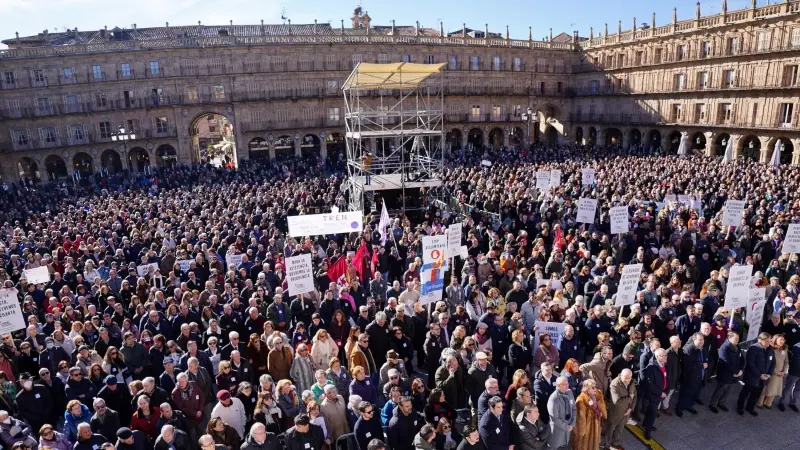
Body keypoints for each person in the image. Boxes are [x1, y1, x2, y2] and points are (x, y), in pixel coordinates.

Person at [738, 332, 776, 416]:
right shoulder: (754, 348)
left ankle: (750, 407)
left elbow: (773, 363)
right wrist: (759, 375)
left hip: (764, 378)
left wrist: (769, 374)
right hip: (752, 377)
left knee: (756, 394)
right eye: (766, 341)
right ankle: (740, 407)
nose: (768, 343)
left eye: (769, 341)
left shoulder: (770, 349)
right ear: (760, 340)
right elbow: (750, 363)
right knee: (745, 393)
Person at [710, 331, 743, 413]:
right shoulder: (724, 348)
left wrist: (741, 370)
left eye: (738, 339)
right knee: (720, 389)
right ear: (729, 338)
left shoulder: (737, 346)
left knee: (728, 389)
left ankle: (721, 402)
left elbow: (742, 359)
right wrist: (736, 371)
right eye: (736, 339)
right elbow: (726, 362)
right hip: (725, 373)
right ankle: (713, 404)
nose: (738, 340)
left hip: (735, 373)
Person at [641, 348, 669, 440]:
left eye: (665, 355)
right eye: (663, 356)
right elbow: (650, 384)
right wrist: (660, 393)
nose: (665, 357)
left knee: (650, 410)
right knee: (653, 413)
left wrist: (665, 390)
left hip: (661, 393)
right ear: (657, 357)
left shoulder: (664, 364)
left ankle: (645, 423)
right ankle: (647, 431)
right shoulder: (651, 367)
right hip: (653, 394)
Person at [675, 332, 705, 417]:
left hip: (697, 377)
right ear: (694, 340)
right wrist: (701, 365)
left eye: (702, 339)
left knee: (692, 393)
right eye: (700, 340)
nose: (702, 341)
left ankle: (689, 406)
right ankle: (679, 408)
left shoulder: (700, 348)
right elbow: (688, 365)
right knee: (685, 393)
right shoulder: (688, 349)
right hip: (688, 377)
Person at [757, 333, 789, 408]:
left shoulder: (785, 349)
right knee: (766, 388)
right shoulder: (770, 348)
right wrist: (775, 371)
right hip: (771, 372)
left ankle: (768, 403)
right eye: (780, 339)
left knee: (775, 389)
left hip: (780, 373)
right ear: (775, 339)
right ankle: (759, 403)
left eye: (783, 340)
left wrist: (783, 372)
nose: (782, 341)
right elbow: (768, 362)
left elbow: (786, 362)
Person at [606, 369, 635, 450]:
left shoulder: (631, 382)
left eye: (629, 378)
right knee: (610, 429)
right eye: (626, 378)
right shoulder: (614, 384)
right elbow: (617, 401)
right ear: (621, 375)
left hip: (626, 412)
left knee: (620, 428)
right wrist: (629, 398)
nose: (627, 380)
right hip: (615, 412)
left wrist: (630, 408)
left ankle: (616, 443)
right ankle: (607, 446)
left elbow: (635, 395)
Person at [573, 379, 606, 450]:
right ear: (587, 389)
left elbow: (599, 406)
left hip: (596, 424)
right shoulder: (581, 400)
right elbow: (580, 419)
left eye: (595, 387)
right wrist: (581, 432)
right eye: (593, 387)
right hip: (587, 428)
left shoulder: (595, 395)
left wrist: (600, 412)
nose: (595, 389)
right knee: (584, 445)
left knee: (594, 443)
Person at [546, 376, 576, 450]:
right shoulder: (553, 399)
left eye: (567, 383)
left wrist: (572, 424)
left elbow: (574, 409)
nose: (567, 386)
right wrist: (567, 427)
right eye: (564, 384)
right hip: (558, 432)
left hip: (569, 429)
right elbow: (554, 418)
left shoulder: (569, 392)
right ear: (558, 386)